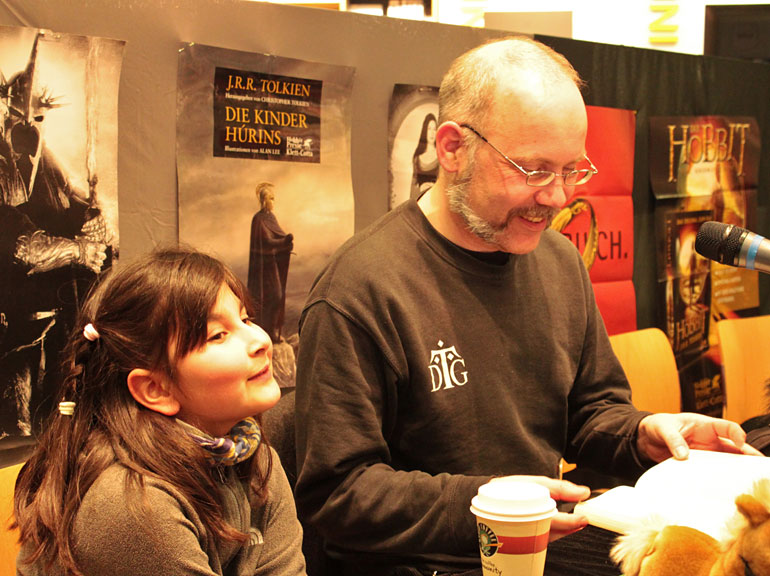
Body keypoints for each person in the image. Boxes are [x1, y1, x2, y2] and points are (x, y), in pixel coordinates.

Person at [293, 36, 762, 576]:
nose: (558, 197)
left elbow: (591, 412)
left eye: (572, 170)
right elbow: (338, 493)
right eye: (534, 170)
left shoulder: (557, 261)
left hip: (539, 551)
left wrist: (645, 434)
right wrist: (493, 505)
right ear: (452, 148)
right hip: (425, 563)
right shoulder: (360, 290)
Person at [14, 247, 306, 576]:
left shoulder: (254, 455)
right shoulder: (133, 504)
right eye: (217, 335)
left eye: (245, 318)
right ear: (156, 389)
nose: (261, 340)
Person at [248, 182, 294, 343]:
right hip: (263, 268)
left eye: (273, 198)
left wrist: (286, 242)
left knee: (276, 297)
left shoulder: (271, 218)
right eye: (271, 198)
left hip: (272, 263)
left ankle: (272, 329)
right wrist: (284, 241)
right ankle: (267, 330)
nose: (273, 202)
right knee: (272, 296)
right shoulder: (258, 219)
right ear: (264, 200)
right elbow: (267, 241)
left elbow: (278, 236)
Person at [410, 112, 439, 199]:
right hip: (421, 200)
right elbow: (413, 186)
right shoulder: (417, 159)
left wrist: (433, 186)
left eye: (434, 129)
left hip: (436, 200)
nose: (432, 133)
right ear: (425, 130)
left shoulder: (440, 156)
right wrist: (421, 188)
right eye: (429, 129)